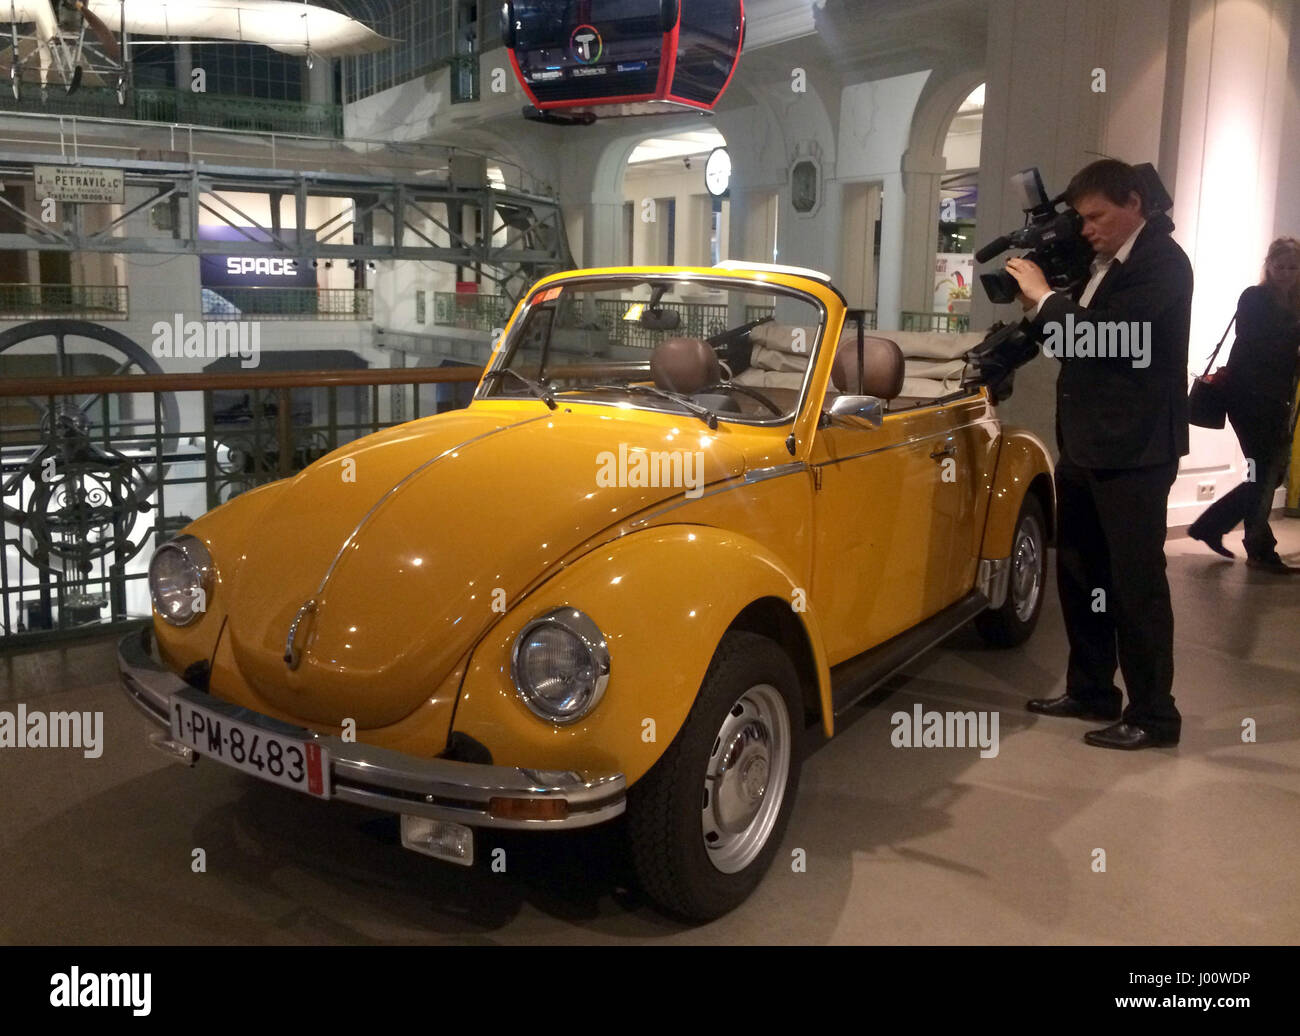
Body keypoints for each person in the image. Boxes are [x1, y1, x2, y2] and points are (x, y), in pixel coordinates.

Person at [1004, 159, 1193, 751]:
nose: (1086, 228)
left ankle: (1154, 715)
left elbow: (1105, 343)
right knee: (1081, 572)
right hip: (1088, 444)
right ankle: (1091, 689)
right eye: (1082, 217)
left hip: (1135, 451)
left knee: (1135, 584)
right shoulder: (1103, 265)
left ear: (1134, 203)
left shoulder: (1163, 264)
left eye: (1097, 216)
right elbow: (1071, 342)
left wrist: (1043, 299)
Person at [1187, 238, 1300, 573]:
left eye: (1292, 268)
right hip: (1247, 396)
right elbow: (1254, 338)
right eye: (1280, 267)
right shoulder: (1255, 297)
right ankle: (1259, 547)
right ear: (1269, 266)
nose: (1285, 274)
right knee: (1263, 472)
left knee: (1266, 472)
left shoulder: (1295, 302)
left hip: (1277, 398)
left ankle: (1213, 526)